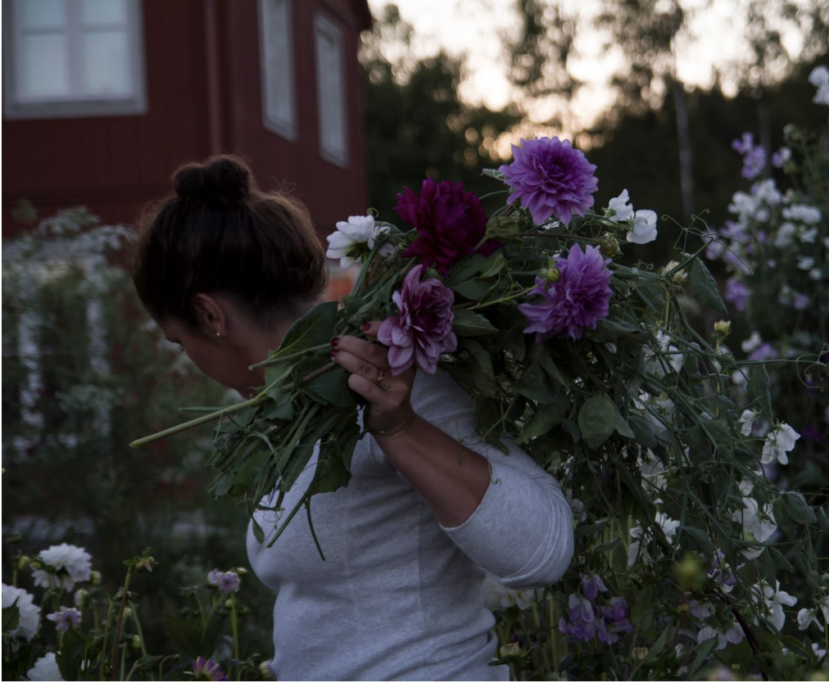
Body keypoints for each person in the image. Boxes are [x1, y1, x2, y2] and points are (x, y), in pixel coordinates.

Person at [132, 155, 575, 680]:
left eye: (179, 341)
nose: (190, 359)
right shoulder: (288, 409)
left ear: (210, 315)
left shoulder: (390, 382)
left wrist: (402, 429)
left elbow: (544, 549)